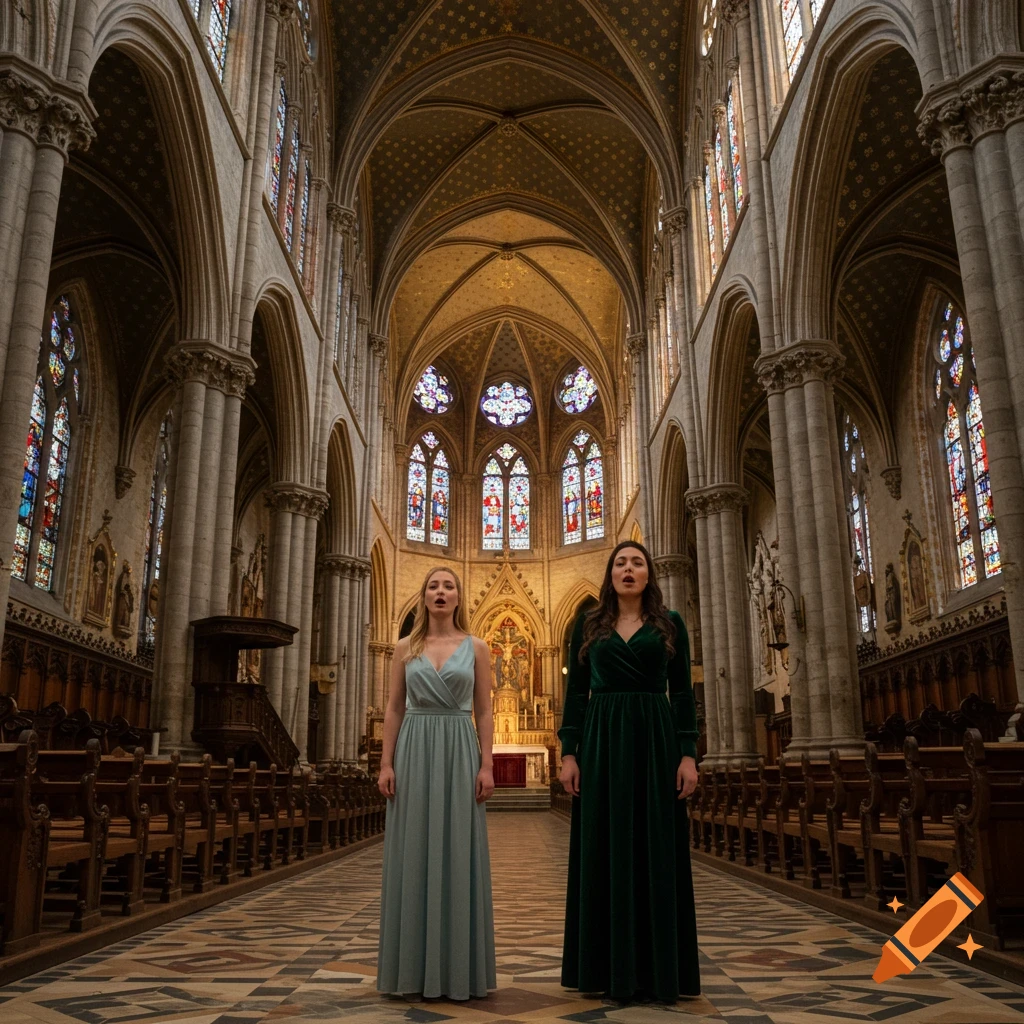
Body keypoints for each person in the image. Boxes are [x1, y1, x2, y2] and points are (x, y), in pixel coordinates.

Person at [559, 541, 700, 1003]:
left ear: (648, 573)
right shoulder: (590, 624)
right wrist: (569, 753)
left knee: (655, 843)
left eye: (637, 562)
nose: (628, 569)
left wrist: (687, 754)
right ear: (610, 573)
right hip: (601, 740)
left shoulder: (669, 623)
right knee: (605, 843)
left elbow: (681, 694)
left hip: (654, 739)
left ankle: (659, 970)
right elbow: (577, 694)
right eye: (620, 562)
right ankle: (605, 967)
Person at [377, 567, 497, 1001]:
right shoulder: (404, 648)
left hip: (458, 748)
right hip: (415, 749)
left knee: (458, 852)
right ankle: (410, 970)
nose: (441, 592)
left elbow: (484, 711)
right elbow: (393, 708)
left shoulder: (478, 647)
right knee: (413, 852)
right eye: (433, 585)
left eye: (448, 586)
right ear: (423, 597)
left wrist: (487, 764)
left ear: (459, 597)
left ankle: (458, 969)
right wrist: (386, 762)